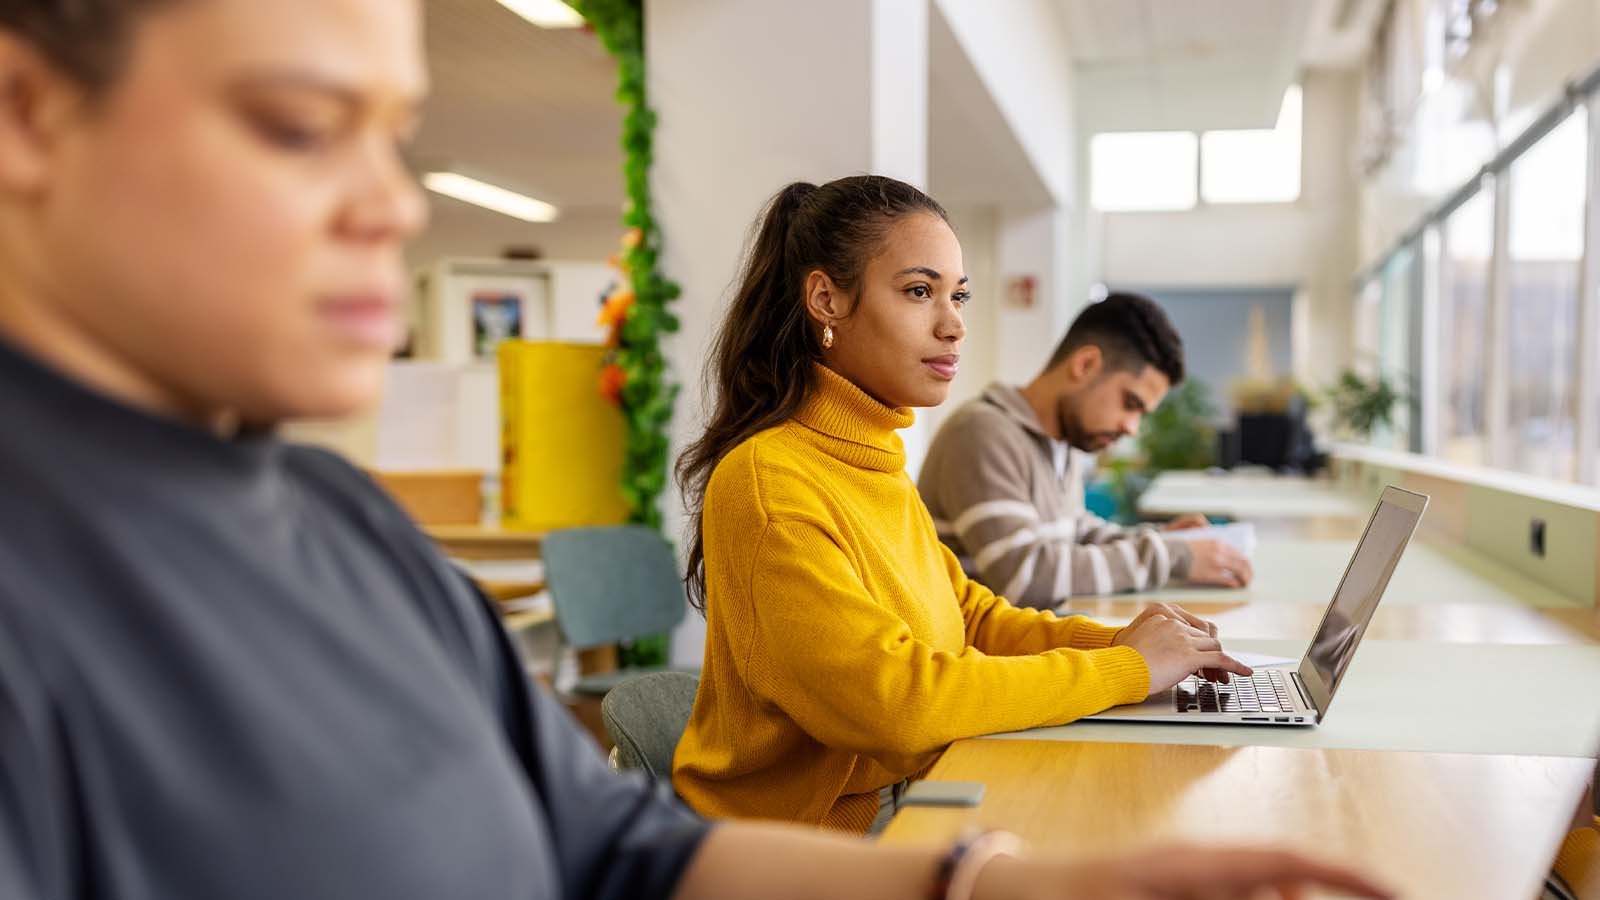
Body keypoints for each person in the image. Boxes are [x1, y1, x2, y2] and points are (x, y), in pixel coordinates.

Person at [0, 2, 1393, 899]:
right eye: (303, 127)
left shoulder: (336, 523)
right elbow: (892, 701)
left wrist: (995, 880)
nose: (388, 204)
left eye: (401, 138)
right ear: (25, 119)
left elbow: (612, 853)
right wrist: (1113, 668)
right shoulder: (43, 605)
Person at [673, 177, 1262, 837]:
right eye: (919, 292)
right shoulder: (769, 479)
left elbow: (971, 618)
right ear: (825, 300)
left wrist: (1127, 643)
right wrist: (1124, 669)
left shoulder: (874, 457)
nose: (953, 324)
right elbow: (896, 703)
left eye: (958, 295)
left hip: (908, 789)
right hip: (802, 842)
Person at [918, 293, 1254, 609]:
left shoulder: (1060, 441)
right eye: (1130, 403)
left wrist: (1157, 537)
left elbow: (1075, 532)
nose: (1131, 427)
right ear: (1085, 365)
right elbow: (1026, 577)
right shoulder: (982, 432)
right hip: (979, 659)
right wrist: (1171, 556)